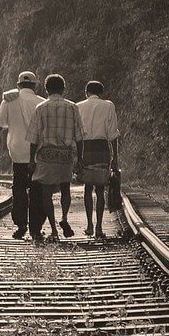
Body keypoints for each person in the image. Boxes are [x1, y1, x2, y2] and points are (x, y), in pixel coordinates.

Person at [27, 74, 82, 243]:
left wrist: (31, 159)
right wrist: (79, 158)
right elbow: (79, 136)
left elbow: (34, 137)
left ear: (46, 89)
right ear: (63, 89)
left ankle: (53, 229)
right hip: (65, 156)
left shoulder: (41, 108)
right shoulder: (72, 107)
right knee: (66, 188)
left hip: (46, 156)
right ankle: (64, 217)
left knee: (46, 193)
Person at [0, 71, 46, 239]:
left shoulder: (8, 100)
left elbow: (1, 122)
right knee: (37, 190)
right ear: (35, 85)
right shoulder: (42, 102)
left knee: (19, 188)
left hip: (17, 151)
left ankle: (21, 224)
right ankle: (36, 228)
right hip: (38, 153)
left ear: (18, 85)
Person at [76, 80, 121, 240]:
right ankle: (99, 227)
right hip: (102, 148)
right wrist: (115, 157)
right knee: (100, 189)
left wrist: (76, 156)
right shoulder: (108, 105)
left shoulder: (78, 106)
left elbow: (77, 134)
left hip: (85, 149)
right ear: (101, 93)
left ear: (86, 92)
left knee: (88, 188)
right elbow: (112, 134)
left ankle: (89, 225)